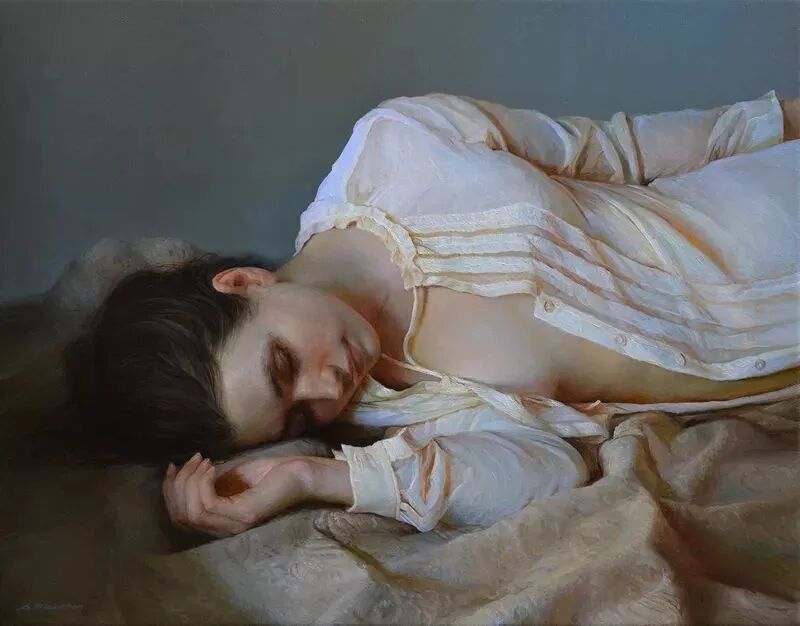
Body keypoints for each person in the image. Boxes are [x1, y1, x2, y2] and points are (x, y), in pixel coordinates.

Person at [64, 90, 800, 537]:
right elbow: (548, 469)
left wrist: (785, 118)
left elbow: (621, 149)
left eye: (283, 364)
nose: (327, 389)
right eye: (298, 416)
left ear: (243, 283)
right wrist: (319, 479)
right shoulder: (385, 416)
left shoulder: (398, 147)